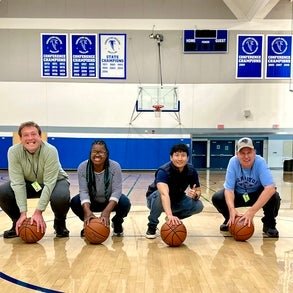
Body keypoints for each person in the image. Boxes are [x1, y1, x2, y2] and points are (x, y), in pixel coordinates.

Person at [0, 121, 70, 238]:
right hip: (32, 184)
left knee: (61, 196)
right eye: (26, 135)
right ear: (21, 138)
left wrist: (38, 212)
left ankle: (60, 224)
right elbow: (18, 183)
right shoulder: (13, 152)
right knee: (4, 191)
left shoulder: (50, 150)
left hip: (55, 182)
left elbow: (49, 183)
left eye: (33, 134)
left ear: (40, 136)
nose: (30, 138)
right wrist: (23, 213)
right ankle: (18, 223)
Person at [212, 137, 281, 238]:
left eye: (249, 152)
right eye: (242, 153)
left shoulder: (260, 162)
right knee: (217, 197)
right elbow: (229, 189)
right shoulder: (233, 162)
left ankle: (269, 223)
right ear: (237, 154)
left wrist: (251, 212)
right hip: (239, 195)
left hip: (256, 195)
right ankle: (231, 219)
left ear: (254, 152)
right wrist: (231, 209)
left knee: (274, 196)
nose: (246, 156)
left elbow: (270, 188)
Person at [70, 140, 131, 237]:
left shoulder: (115, 167)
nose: (97, 154)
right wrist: (87, 211)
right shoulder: (82, 167)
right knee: (75, 202)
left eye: (101, 152)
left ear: (107, 154)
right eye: (94, 151)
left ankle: (117, 222)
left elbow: (117, 191)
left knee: (125, 202)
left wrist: (107, 212)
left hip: (109, 201)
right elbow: (84, 191)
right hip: (92, 201)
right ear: (90, 153)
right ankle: (89, 224)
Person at [145, 143, 204, 239]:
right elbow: (164, 194)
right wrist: (169, 215)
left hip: (177, 199)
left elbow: (198, 190)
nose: (180, 158)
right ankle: (152, 225)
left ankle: (174, 217)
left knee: (198, 205)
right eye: (177, 155)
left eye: (183, 155)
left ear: (187, 158)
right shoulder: (163, 171)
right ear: (171, 157)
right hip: (155, 200)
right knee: (160, 194)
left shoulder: (191, 170)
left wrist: (195, 195)